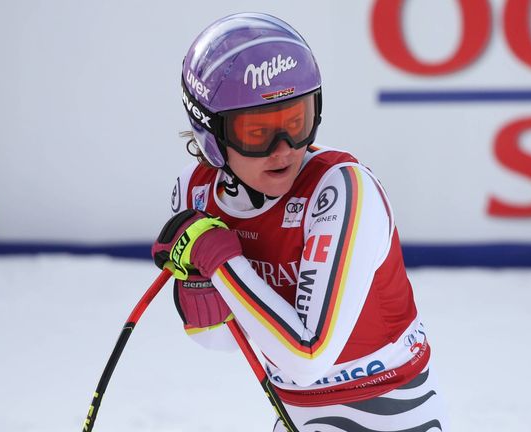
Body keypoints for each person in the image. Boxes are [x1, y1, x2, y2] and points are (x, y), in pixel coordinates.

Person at [151, 12, 447, 432]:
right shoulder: (196, 193)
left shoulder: (341, 189)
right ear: (210, 136)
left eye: (296, 122)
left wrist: (218, 259)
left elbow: (306, 356)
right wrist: (197, 292)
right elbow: (217, 338)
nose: (284, 149)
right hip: (297, 417)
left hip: (395, 414)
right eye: (258, 133)